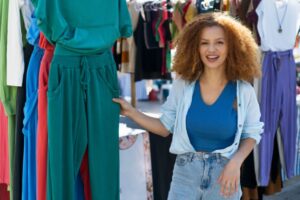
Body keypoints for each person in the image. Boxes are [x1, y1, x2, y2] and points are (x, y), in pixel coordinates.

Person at [113, 12, 264, 200]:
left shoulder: (243, 91)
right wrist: (131, 112)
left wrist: (235, 162)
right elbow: (164, 127)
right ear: (195, 47)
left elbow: (252, 133)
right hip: (185, 175)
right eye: (204, 43)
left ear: (232, 46)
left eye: (219, 42)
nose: (211, 49)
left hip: (225, 177)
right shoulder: (183, 85)